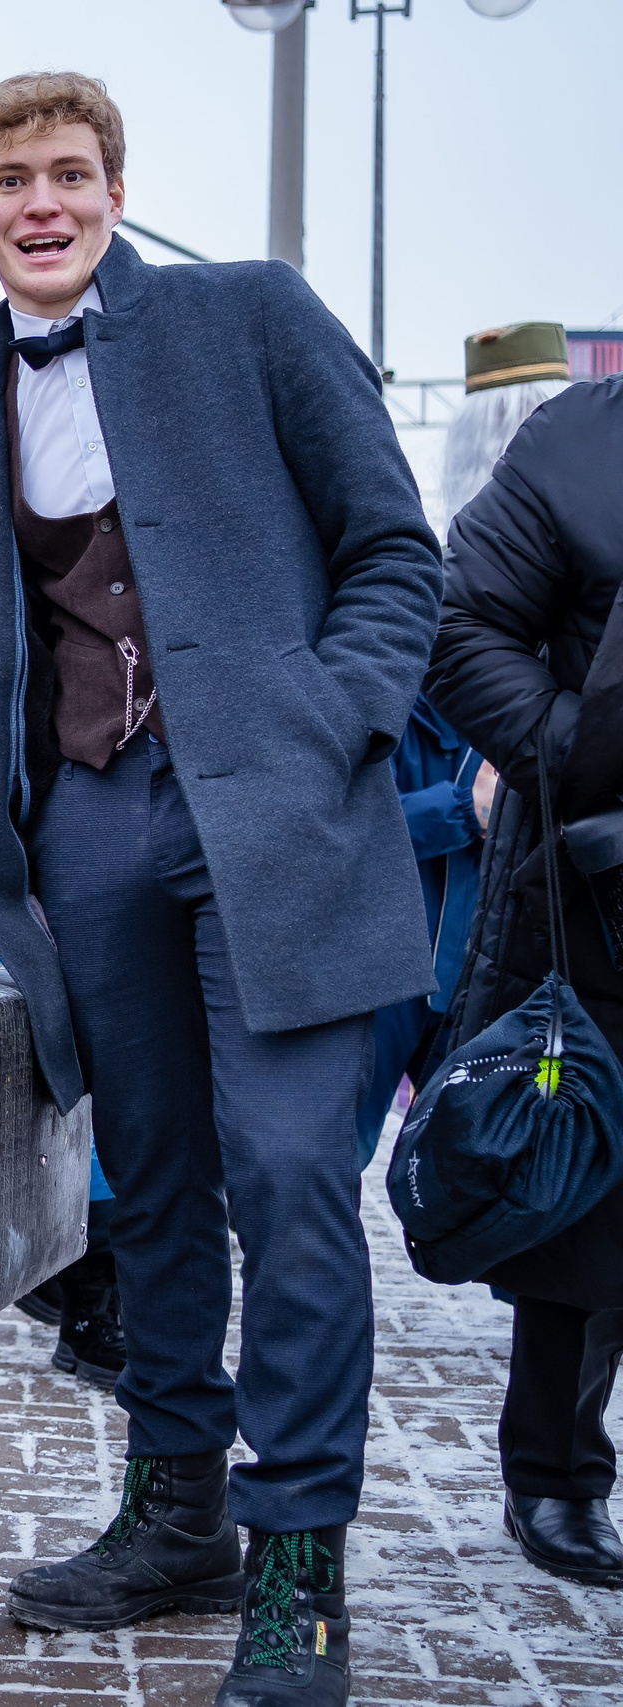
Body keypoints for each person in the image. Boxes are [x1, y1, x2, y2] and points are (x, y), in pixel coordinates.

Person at [0, 75, 441, 1705]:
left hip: (275, 813)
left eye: (69, 173)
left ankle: (300, 1563)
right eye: (10, 180)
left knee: (287, 1175)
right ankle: (175, 1509)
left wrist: (329, 723)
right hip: (85, 836)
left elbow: (397, 551)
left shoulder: (252, 317)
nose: (41, 202)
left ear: (114, 189)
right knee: (146, 1188)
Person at [424, 357, 623, 1590]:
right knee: (590, 1180)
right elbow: (458, 622)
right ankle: (554, 1473)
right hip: (602, 886)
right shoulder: (580, 439)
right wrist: (565, 751)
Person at [352, 328, 566, 1166]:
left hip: (524, 956)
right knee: (325, 1171)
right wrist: (464, 810)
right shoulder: (414, 604)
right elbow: (349, 811)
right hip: (403, 959)